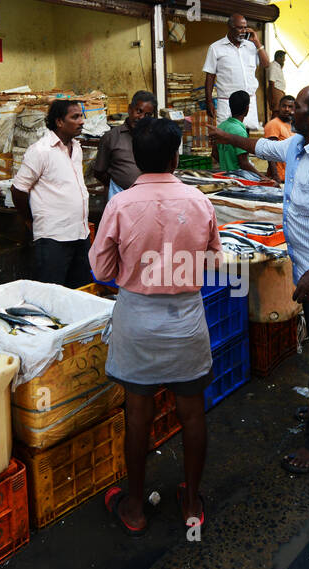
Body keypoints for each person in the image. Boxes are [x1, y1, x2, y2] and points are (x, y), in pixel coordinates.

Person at [211, 84, 309, 474]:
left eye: (296, 107)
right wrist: (222, 136)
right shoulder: (298, 146)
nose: (289, 111)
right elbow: (262, 148)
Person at [92, 117, 221, 536]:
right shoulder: (199, 202)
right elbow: (215, 263)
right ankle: (191, 500)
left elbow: (101, 267)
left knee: (138, 413)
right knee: (192, 411)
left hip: (137, 320)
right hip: (185, 319)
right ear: (174, 156)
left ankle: (134, 506)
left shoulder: (121, 204)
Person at [12, 99, 92, 288]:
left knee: (80, 291)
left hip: (80, 234)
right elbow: (18, 189)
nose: (81, 121)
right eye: (75, 117)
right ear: (59, 122)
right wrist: (29, 220)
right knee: (52, 294)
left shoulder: (76, 147)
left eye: (81, 116)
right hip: (53, 237)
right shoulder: (40, 151)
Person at [203, 13, 269, 130]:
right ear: (230, 27)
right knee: (225, 136)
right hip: (227, 103)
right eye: (240, 27)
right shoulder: (216, 48)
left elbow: (266, 64)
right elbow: (210, 76)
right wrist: (209, 102)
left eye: (245, 27)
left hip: (249, 103)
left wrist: (257, 42)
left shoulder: (251, 46)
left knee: (248, 136)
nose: (243, 31)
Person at [92, 90, 156, 200]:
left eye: (147, 115)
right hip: (120, 197)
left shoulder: (155, 137)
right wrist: (118, 184)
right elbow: (99, 172)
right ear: (130, 109)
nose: (141, 117)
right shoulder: (111, 137)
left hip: (149, 198)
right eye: (138, 111)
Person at [215, 90, 273, 183]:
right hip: (238, 179)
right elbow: (243, 163)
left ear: (230, 107)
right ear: (247, 109)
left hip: (224, 177)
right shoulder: (239, 131)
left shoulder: (221, 126)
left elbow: (214, 154)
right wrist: (262, 176)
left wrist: (226, 164)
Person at [263, 95, 294, 182]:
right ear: (279, 107)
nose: (287, 109)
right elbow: (269, 152)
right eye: (284, 106)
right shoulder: (274, 124)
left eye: (290, 107)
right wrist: (276, 176)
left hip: (291, 177)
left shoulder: (293, 125)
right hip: (279, 178)